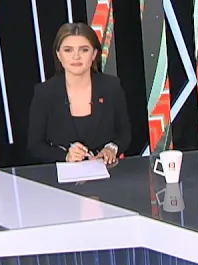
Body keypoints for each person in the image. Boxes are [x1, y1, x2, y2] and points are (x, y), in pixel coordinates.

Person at [26, 22, 131, 166]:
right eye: (68, 50)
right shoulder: (44, 93)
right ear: (59, 55)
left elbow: (124, 135)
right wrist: (66, 156)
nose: (76, 56)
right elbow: (35, 145)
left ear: (94, 54)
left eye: (84, 50)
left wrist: (111, 149)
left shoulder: (112, 88)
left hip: (107, 172)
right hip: (62, 174)